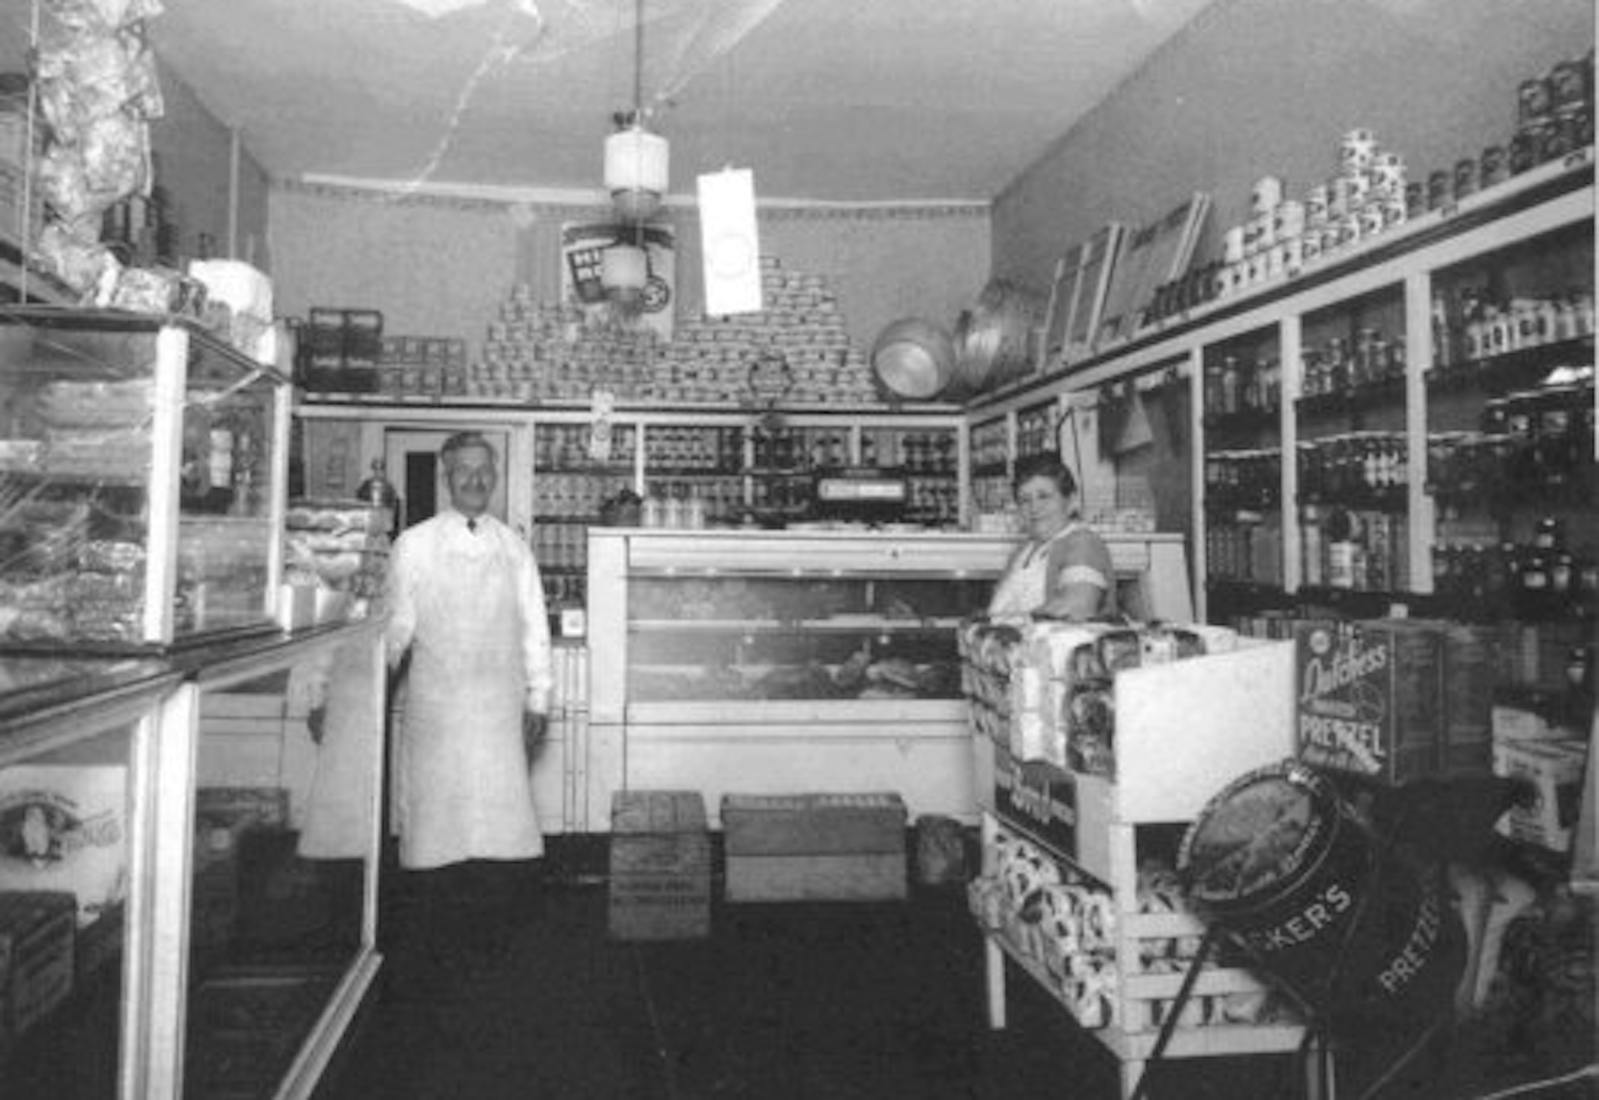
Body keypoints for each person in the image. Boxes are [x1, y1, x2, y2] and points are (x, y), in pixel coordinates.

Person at [383, 430, 553, 977]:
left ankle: (495, 954)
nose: (475, 481)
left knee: (500, 827)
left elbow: (535, 628)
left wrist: (539, 697)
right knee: (437, 826)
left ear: (495, 476)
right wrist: (372, 684)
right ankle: (435, 954)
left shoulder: (514, 548)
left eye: (484, 471)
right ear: (447, 477)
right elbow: (396, 629)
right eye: (464, 471)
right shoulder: (414, 545)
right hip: (438, 709)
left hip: (499, 707)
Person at [987, 451, 1118, 621]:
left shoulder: (1083, 543)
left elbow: (1077, 607)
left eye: (1044, 497)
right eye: (1025, 500)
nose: (1034, 507)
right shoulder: (1022, 552)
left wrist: (1010, 623)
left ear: (1071, 501)